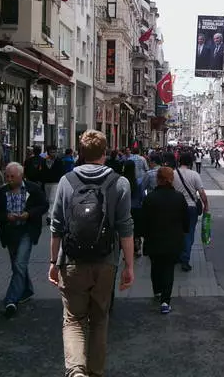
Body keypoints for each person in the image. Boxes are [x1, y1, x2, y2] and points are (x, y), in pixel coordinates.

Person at [48, 130, 134, 377]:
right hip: (106, 261)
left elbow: (56, 226)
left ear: (81, 153)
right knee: (99, 320)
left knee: (74, 320)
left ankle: (76, 372)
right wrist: (129, 266)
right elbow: (126, 228)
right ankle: (96, 372)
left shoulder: (66, 181)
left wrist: (53, 261)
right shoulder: (120, 183)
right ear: (105, 153)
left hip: (72, 260)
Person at [0, 162, 49, 317]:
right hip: (10, 233)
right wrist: (5, 216)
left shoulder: (33, 189)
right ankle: (27, 290)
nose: (9, 179)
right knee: (17, 265)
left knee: (19, 263)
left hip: (27, 231)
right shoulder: (2, 192)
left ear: (21, 176)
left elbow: (44, 205)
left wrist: (29, 214)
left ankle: (11, 300)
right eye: (7, 176)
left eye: (12, 176)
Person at [142, 167, 189, 314]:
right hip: (173, 240)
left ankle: (157, 291)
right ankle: (165, 301)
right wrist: (184, 231)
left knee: (155, 265)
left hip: (154, 239)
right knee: (169, 269)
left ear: (158, 179)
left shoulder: (150, 198)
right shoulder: (179, 197)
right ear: (171, 179)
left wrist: (143, 235)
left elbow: (144, 221)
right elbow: (185, 220)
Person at [172, 152, 209, 272]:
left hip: (176, 207)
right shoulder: (194, 175)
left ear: (179, 161)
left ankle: (177, 256)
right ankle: (185, 260)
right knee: (189, 234)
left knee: (176, 232)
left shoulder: (173, 173)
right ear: (190, 162)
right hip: (191, 208)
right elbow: (201, 192)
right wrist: (206, 205)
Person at [122, 160, 143, 259]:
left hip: (125, 209)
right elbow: (142, 195)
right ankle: (137, 248)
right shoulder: (138, 182)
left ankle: (127, 252)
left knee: (126, 231)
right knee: (137, 230)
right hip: (137, 208)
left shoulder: (122, 181)